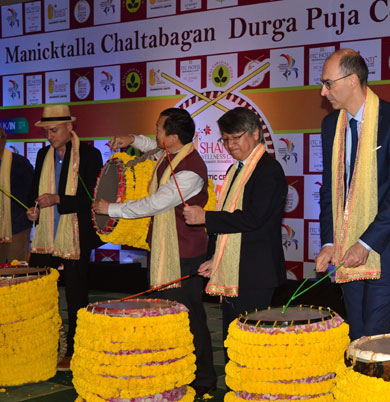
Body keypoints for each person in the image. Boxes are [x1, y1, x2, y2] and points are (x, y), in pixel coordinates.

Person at [93, 108, 217, 395]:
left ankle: (203, 379)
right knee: (165, 315)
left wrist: (111, 209)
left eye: (159, 129)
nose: (155, 133)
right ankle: (174, 372)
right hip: (164, 249)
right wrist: (131, 139)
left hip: (184, 254)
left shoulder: (189, 171)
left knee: (189, 317)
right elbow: (151, 145)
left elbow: (155, 203)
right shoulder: (172, 153)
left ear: (172, 137)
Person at [315, 49, 390, 341]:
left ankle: (376, 371)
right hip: (346, 244)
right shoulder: (331, 125)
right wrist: (329, 242)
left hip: (386, 244)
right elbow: (329, 190)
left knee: (375, 331)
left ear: (352, 80)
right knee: (356, 328)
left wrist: (365, 243)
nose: (323, 91)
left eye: (328, 83)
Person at [181, 107, 287, 360]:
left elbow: (254, 219)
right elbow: (228, 220)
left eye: (236, 138)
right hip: (233, 268)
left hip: (256, 271)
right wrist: (215, 257)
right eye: (225, 139)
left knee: (252, 346)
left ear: (255, 134)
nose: (230, 145)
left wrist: (205, 217)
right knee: (232, 342)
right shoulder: (234, 170)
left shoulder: (268, 170)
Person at [26, 104, 103, 370]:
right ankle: (43, 344)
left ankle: (75, 349)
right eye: (46, 131)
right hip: (46, 235)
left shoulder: (89, 155)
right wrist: (33, 209)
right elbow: (34, 192)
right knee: (40, 291)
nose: (49, 136)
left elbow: (92, 199)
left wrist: (58, 199)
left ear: (70, 127)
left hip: (76, 235)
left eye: (54, 130)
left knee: (76, 295)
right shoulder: (42, 155)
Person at [0, 127, 34, 262]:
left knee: (15, 268)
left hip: (17, 227)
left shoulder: (19, 163)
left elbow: (33, 190)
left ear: (4, 140)